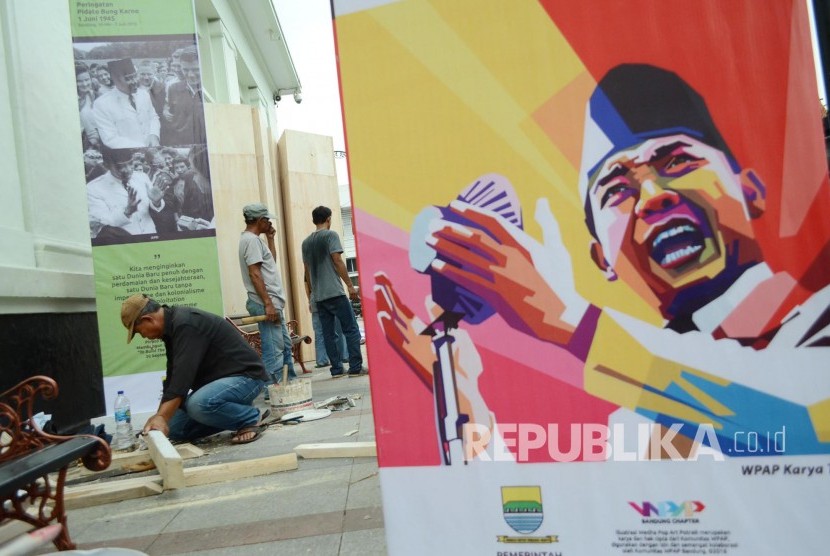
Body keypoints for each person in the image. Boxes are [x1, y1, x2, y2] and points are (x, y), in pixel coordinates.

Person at [375, 63, 830, 456]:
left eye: (675, 161)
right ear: (603, 259)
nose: (651, 198)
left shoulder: (818, 326)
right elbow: (553, 525)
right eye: (616, 189)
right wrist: (461, 398)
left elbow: (801, 425)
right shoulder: (635, 412)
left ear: (750, 189)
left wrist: (572, 319)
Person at [121, 294, 270, 444]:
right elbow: (173, 379)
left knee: (199, 404)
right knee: (173, 429)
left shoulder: (186, 324)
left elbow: (182, 380)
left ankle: (249, 418)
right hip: (220, 387)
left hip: (247, 378)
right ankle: (235, 411)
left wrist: (161, 417)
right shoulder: (172, 329)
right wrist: (160, 418)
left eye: (140, 332)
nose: (144, 336)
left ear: (148, 319)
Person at [302, 206, 366, 378]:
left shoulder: (306, 243)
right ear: (328, 219)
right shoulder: (331, 236)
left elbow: (307, 271)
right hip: (335, 293)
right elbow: (337, 260)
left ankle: (336, 370)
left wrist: (313, 293)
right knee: (351, 329)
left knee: (329, 334)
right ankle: (355, 367)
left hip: (319, 296)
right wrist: (350, 285)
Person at [239, 203, 298, 384]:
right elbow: (254, 273)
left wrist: (270, 238)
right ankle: (273, 388)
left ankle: (289, 384)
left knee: (285, 346)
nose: (269, 223)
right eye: (267, 220)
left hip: (271, 302)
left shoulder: (256, 240)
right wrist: (268, 303)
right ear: (259, 220)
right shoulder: (251, 241)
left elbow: (269, 263)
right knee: (274, 349)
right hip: (266, 303)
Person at [86, 146, 171, 241]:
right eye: (120, 166)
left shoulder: (142, 177)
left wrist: (156, 203)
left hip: (150, 236)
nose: (128, 169)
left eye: (130, 163)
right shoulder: (93, 188)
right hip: (123, 244)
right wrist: (127, 212)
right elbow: (103, 221)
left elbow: (153, 207)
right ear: (106, 165)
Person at [92, 58, 160, 148]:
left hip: (153, 148)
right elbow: (110, 138)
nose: (135, 81)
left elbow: (153, 116)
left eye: (134, 76)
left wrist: (154, 135)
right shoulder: (101, 104)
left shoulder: (143, 94)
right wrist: (143, 147)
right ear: (115, 79)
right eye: (128, 78)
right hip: (126, 156)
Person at [161, 46, 205, 146]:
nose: (191, 75)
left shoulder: (211, 90)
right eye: (185, 70)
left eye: (196, 70)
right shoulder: (173, 88)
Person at [310, 301, 347, 368]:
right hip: (331, 302)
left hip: (315, 303)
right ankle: (343, 356)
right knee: (336, 331)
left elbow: (307, 290)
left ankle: (321, 360)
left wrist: (310, 302)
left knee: (319, 334)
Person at [76, 62, 100, 149]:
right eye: (79, 81)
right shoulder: (72, 100)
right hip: (83, 143)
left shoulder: (96, 96)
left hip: (100, 141)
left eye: (86, 80)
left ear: (91, 79)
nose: (84, 84)